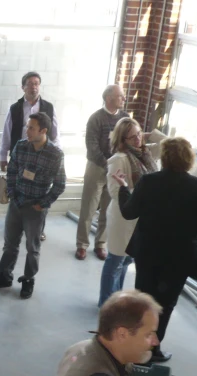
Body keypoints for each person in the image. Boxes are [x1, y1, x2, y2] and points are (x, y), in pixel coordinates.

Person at [115, 137, 197, 363]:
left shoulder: (149, 181)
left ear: (165, 157)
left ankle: (134, 347)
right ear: (189, 159)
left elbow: (129, 212)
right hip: (179, 257)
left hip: (148, 252)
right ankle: (153, 349)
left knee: (143, 300)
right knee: (166, 303)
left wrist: (123, 189)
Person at [0, 112, 66, 299]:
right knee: (10, 244)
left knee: (32, 247)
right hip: (16, 203)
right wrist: (12, 195)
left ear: (43, 130)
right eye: (27, 126)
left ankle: (28, 279)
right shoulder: (20, 147)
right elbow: (12, 171)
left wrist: (43, 204)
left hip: (35, 208)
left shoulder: (55, 154)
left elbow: (60, 184)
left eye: (31, 127)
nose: (27, 131)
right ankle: (4, 275)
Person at [99, 118, 165, 307]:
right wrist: (134, 193)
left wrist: (150, 134)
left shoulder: (147, 153)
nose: (137, 139)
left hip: (141, 220)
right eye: (132, 137)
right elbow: (113, 191)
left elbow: (167, 143)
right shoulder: (118, 159)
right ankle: (106, 303)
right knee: (114, 261)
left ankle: (116, 300)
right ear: (123, 140)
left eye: (138, 134)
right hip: (123, 219)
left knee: (126, 261)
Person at [0, 71, 61, 243]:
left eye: (36, 83)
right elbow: (7, 133)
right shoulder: (15, 108)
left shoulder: (48, 107)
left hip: (43, 158)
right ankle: (15, 224)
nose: (33, 87)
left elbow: (55, 134)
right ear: (23, 87)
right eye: (30, 83)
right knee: (19, 188)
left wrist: (57, 156)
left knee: (41, 192)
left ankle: (39, 228)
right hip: (21, 155)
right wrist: (3, 155)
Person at [75, 85, 129, 261]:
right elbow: (92, 145)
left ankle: (101, 244)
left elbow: (127, 142)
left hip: (116, 169)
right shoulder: (96, 119)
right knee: (89, 207)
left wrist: (117, 164)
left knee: (108, 207)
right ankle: (82, 244)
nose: (123, 99)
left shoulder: (124, 118)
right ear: (108, 98)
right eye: (120, 96)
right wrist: (107, 163)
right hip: (97, 167)